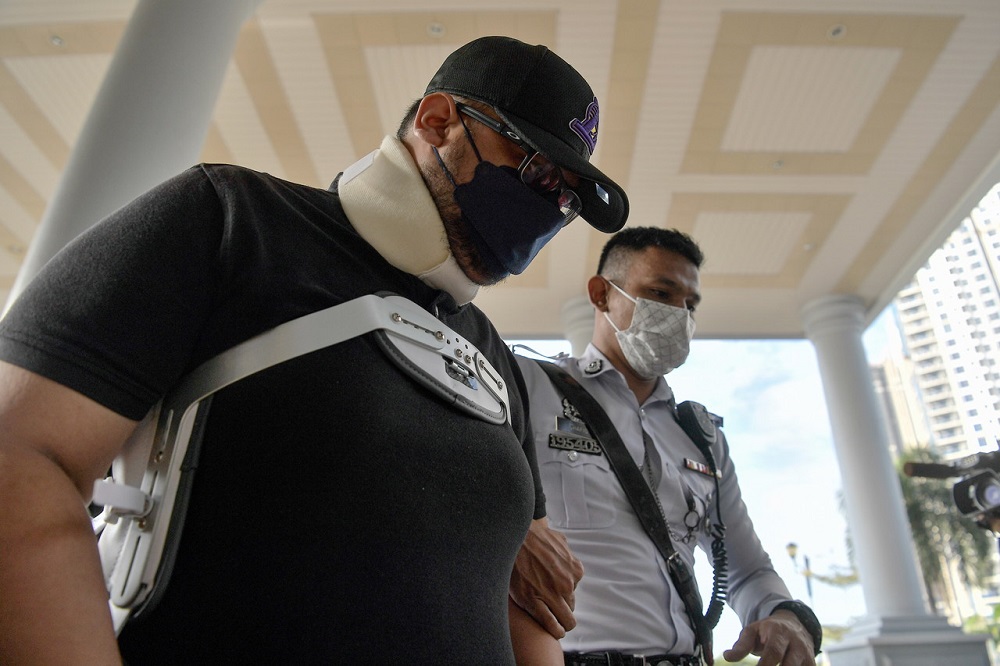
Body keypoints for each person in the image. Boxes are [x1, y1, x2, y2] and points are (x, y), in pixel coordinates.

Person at [0, 36, 626, 664]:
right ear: (438, 122)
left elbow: (533, 606)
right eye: (539, 174)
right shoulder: (231, 220)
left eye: (568, 201)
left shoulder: (490, 357)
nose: (552, 208)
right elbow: (21, 455)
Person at [514, 227, 822, 666]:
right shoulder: (529, 387)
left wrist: (787, 617)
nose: (679, 314)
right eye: (661, 293)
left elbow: (748, 569)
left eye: (690, 304)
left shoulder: (703, 438)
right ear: (601, 294)